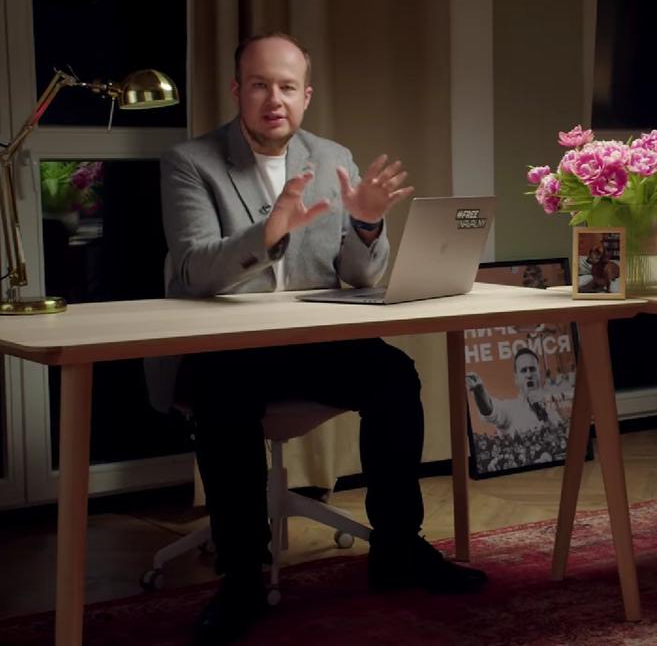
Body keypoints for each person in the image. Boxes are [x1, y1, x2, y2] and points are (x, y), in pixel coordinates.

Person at [159, 33, 486, 644]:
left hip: (311, 340)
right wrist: (268, 234)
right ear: (237, 90)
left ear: (305, 96)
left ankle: (397, 547)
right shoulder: (191, 162)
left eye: (287, 87)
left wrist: (366, 224)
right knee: (220, 391)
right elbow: (195, 270)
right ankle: (242, 575)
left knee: (394, 376)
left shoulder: (332, 156)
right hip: (231, 345)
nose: (273, 100)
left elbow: (360, 277)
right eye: (260, 85)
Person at [466, 348, 564, 437]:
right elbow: (492, 412)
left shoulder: (554, 407)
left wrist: (544, 415)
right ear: (516, 378)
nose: (529, 375)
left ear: (540, 374)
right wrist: (479, 391)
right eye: (524, 370)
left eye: (532, 369)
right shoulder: (511, 409)